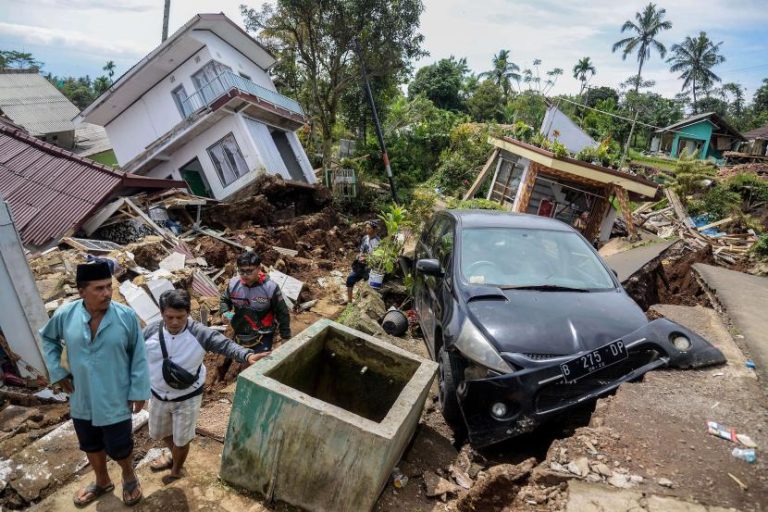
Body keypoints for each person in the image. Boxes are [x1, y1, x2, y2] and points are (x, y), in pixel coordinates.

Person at [40, 261, 149, 507]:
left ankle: (129, 475)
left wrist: (139, 390)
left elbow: (139, 356)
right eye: (99, 288)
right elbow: (47, 338)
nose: (107, 293)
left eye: (109, 287)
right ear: (81, 292)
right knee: (89, 442)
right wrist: (58, 371)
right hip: (82, 395)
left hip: (116, 395)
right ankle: (102, 481)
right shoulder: (66, 315)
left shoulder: (126, 316)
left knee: (120, 445)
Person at [144, 289, 267, 482]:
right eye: (170, 317)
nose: (175, 322)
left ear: (188, 314)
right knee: (160, 432)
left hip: (187, 398)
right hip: (158, 395)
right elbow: (132, 355)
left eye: (180, 317)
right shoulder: (150, 332)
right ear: (161, 314)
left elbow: (225, 345)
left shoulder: (199, 333)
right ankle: (172, 453)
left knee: (182, 439)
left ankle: (177, 469)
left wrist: (247, 355)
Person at [220, 251, 291, 352]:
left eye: (249, 271)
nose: (244, 275)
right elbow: (224, 300)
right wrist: (224, 311)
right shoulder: (233, 284)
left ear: (258, 268)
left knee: (260, 362)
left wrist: (285, 336)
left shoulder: (270, 288)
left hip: (264, 331)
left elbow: (282, 312)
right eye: (241, 271)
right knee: (239, 358)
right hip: (241, 330)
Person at [346, 221, 381, 303]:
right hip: (360, 265)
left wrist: (366, 258)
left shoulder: (378, 242)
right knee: (350, 279)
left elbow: (377, 257)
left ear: (374, 230)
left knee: (367, 286)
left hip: (370, 267)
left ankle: (362, 302)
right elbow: (361, 250)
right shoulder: (365, 238)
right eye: (366, 228)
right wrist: (359, 255)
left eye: (369, 228)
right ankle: (349, 301)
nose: (366, 229)